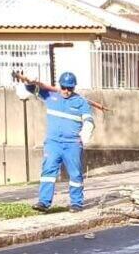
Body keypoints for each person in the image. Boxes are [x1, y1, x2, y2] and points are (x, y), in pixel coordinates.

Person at [17, 71, 95, 212]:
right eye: (64, 87)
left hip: (72, 144)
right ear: (60, 85)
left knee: (75, 174)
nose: (66, 91)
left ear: (74, 88)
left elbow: (88, 119)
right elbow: (30, 89)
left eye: (70, 88)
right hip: (53, 143)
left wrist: (86, 132)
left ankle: (76, 203)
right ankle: (44, 202)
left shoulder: (80, 102)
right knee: (48, 171)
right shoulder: (50, 96)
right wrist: (29, 81)